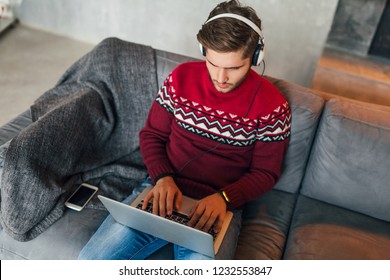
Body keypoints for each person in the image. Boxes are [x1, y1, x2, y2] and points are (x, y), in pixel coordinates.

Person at [78, 0, 291, 260]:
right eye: (213, 63)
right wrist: (162, 178)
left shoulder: (273, 106)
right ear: (203, 50)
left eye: (234, 68)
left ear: (256, 57)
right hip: (162, 189)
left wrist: (224, 199)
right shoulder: (180, 79)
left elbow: (265, 173)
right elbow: (152, 136)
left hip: (219, 206)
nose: (221, 78)